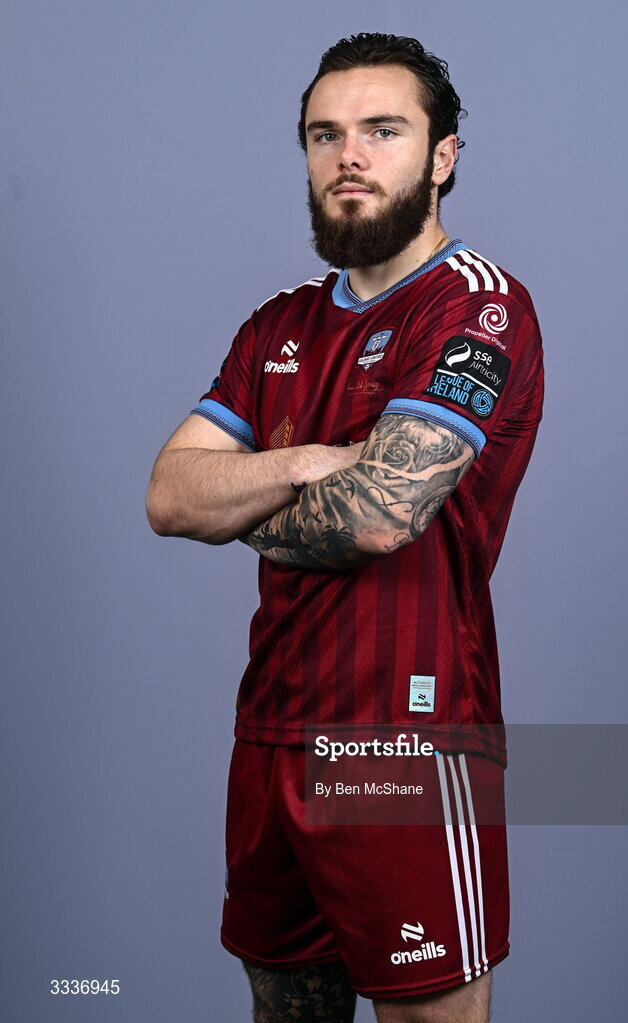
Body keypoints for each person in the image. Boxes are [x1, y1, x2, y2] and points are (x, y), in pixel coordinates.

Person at [146, 32, 543, 1023]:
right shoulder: (275, 325)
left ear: (441, 155)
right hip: (268, 731)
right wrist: (301, 463)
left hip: (402, 747)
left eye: (380, 129)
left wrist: (236, 501)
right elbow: (165, 497)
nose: (347, 156)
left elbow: (379, 515)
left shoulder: (477, 308)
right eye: (324, 135)